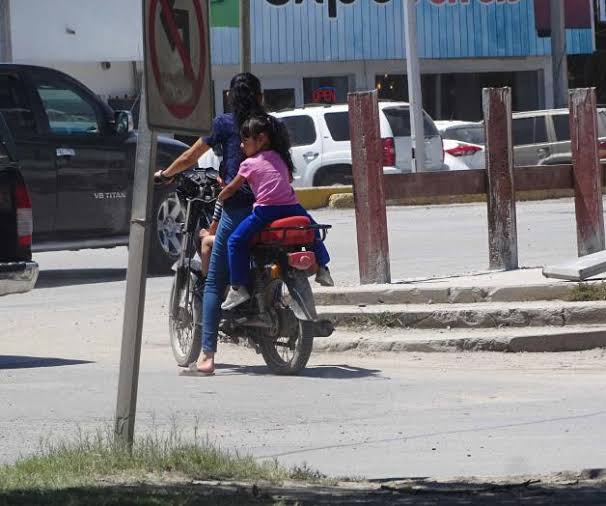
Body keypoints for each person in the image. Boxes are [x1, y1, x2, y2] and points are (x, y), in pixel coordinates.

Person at [155, 73, 265, 376]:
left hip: (239, 205)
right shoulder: (270, 125)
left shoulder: (226, 124)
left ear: (231, 97)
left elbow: (193, 154)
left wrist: (165, 173)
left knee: (214, 278)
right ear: (260, 96)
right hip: (274, 205)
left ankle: (206, 356)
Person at [218, 113, 333, 311]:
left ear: (260, 139)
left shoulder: (248, 164)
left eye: (244, 141)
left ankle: (238, 287)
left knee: (235, 241)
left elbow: (232, 188)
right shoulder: (279, 158)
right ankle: (323, 268)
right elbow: (286, 180)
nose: (241, 146)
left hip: (266, 211)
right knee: (312, 230)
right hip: (292, 207)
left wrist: (221, 195)